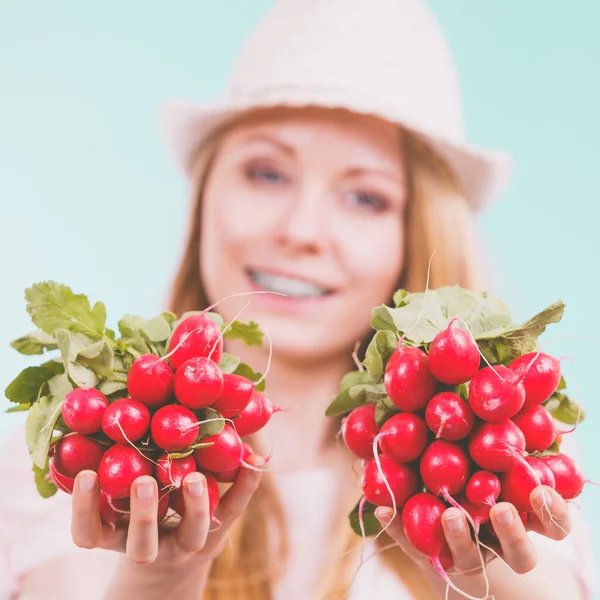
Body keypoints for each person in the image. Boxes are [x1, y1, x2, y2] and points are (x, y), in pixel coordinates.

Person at [0, 0, 594, 598]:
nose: (303, 230)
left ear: (418, 231)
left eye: (365, 198)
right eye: (267, 173)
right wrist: (161, 580)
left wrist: (489, 576)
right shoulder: (66, 473)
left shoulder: (516, 486)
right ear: (207, 193)